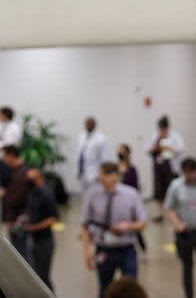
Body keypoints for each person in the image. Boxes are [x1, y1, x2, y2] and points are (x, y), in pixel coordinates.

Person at [82, 162, 148, 298]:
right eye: (100, 174)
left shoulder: (131, 194)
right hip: (103, 249)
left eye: (105, 175)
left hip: (127, 249)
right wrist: (87, 251)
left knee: (130, 290)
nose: (101, 178)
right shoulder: (92, 195)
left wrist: (128, 226)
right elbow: (85, 224)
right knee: (105, 290)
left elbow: (143, 223)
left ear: (116, 176)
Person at [165, 157, 196, 298]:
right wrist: (177, 223)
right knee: (187, 267)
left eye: (193, 172)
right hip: (185, 234)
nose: (190, 176)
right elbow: (169, 208)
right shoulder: (176, 186)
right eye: (187, 173)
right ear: (183, 172)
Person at [23, 167, 59, 291]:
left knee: (43, 276)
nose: (28, 181)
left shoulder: (47, 194)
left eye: (31, 179)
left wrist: (34, 227)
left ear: (39, 178)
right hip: (34, 240)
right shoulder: (32, 193)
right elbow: (32, 212)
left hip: (45, 242)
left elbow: (54, 218)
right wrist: (24, 218)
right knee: (36, 274)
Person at [146, 114, 185, 221]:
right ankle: (160, 214)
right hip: (159, 167)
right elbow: (148, 149)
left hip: (171, 167)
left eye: (164, 128)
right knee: (159, 191)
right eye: (161, 128)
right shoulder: (154, 136)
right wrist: (155, 147)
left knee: (173, 189)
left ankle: (176, 213)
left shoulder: (175, 135)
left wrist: (169, 147)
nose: (163, 130)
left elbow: (181, 148)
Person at [0, 145, 31, 261]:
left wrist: (5, 194)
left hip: (18, 221)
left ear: (11, 156)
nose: (4, 159)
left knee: (21, 254)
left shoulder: (20, 175)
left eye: (5, 156)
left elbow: (15, 200)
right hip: (17, 219)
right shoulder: (19, 172)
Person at [117, 144, 146, 253]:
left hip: (130, 201)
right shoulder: (117, 168)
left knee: (135, 226)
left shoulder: (132, 169)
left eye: (122, 151)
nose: (119, 153)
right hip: (118, 201)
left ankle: (143, 248)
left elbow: (135, 187)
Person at [77, 116, 109, 194]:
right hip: (83, 171)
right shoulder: (81, 136)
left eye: (90, 124)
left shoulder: (101, 138)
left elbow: (105, 157)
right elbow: (79, 154)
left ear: (94, 125)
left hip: (95, 173)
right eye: (86, 124)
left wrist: (102, 173)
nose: (88, 125)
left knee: (95, 195)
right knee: (84, 194)